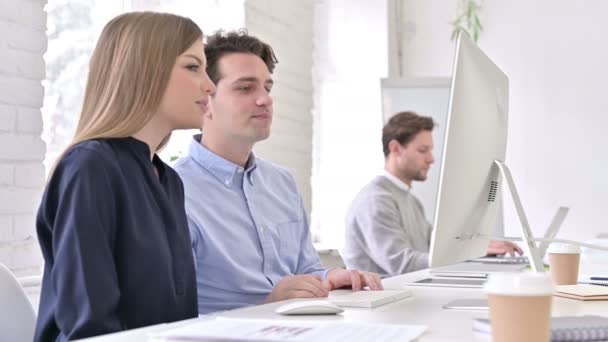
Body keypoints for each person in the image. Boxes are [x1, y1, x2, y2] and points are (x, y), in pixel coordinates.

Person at [34, 12, 216, 341]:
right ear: (145, 69)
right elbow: (88, 327)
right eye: (193, 67)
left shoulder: (169, 181)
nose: (210, 85)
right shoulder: (90, 168)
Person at [174, 29, 382, 314]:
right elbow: (174, 314)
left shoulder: (280, 182)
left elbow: (306, 269)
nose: (265, 99)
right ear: (205, 100)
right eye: (246, 88)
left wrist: (329, 280)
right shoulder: (173, 190)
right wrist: (265, 306)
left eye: (267, 88)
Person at [342, 111, 523, 277]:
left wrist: (478, 247)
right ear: (395, 148)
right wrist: (470, 252)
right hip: (382, 306)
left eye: (430, 150)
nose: (431, 159)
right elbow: (401, 264)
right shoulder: (376, 201)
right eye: (423, 150)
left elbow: (436, 247)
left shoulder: (410, 199)